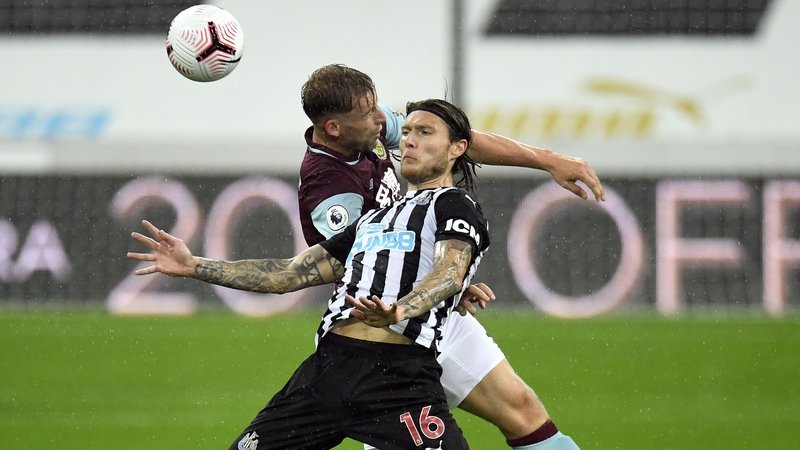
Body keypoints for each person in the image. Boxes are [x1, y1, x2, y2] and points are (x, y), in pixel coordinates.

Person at [128, 99, 493, 449]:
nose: (410, 139)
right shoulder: (371, 220)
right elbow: (289, 274)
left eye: (426, 132)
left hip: (400, 381)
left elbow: (450, 272)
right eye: (409, 130)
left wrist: (401, 309)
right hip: (328, 372)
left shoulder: (455, 205)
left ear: (457, 148)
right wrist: (195, 265)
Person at [298, 65, 587, 449]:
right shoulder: (328, 186)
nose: (381, 118)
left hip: (430, 310)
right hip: (382, 330)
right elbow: (363, 261)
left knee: (523, 411)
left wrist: (546, 160)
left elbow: (457, 138)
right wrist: (440, 277)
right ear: (335, 127)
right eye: (369, 114)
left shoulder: (367, 128)